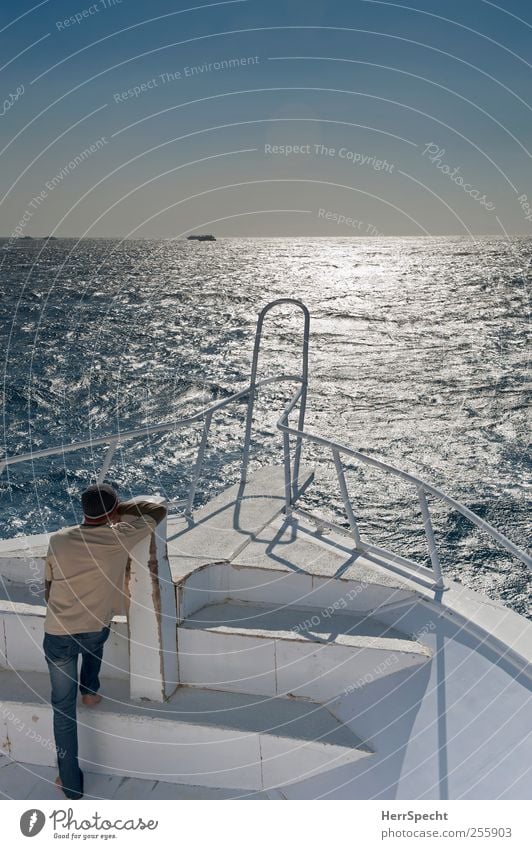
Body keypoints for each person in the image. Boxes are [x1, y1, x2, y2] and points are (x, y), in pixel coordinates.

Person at [43, 483, 167, 800]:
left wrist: (104, 509)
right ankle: (90, 691)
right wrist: (117, 508)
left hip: (57, 633)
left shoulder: (58, 540)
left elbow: (47, 583)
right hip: (93, 627)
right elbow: (157, 511)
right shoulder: (119, 536)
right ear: (112, 513)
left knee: (62, 710)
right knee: (95, 639)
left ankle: (70, 785)